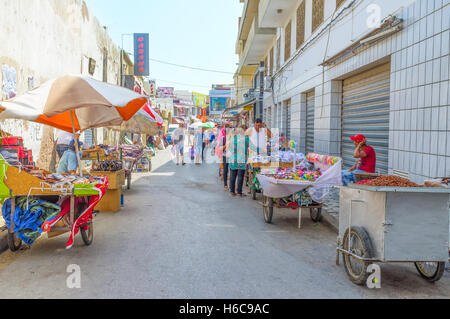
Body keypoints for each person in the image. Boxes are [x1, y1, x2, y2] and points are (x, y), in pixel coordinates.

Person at [226, 125, 249, 197]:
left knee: (232, 175)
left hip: (233, 159)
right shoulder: (246, 139)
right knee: (240, 176)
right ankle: (239, 192)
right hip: (241, 159)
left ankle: (232, 191)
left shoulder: (233, 138)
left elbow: (228, 148)